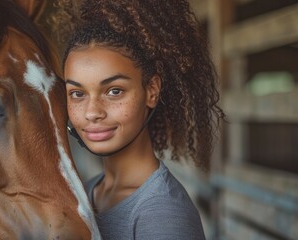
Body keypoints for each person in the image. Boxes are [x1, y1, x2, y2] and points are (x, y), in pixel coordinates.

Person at [57, 0, 224, 239]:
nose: (92, 112)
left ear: (152, 91)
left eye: (114, 91)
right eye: (77, 93)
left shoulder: (164, 214)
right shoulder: (86, 193)